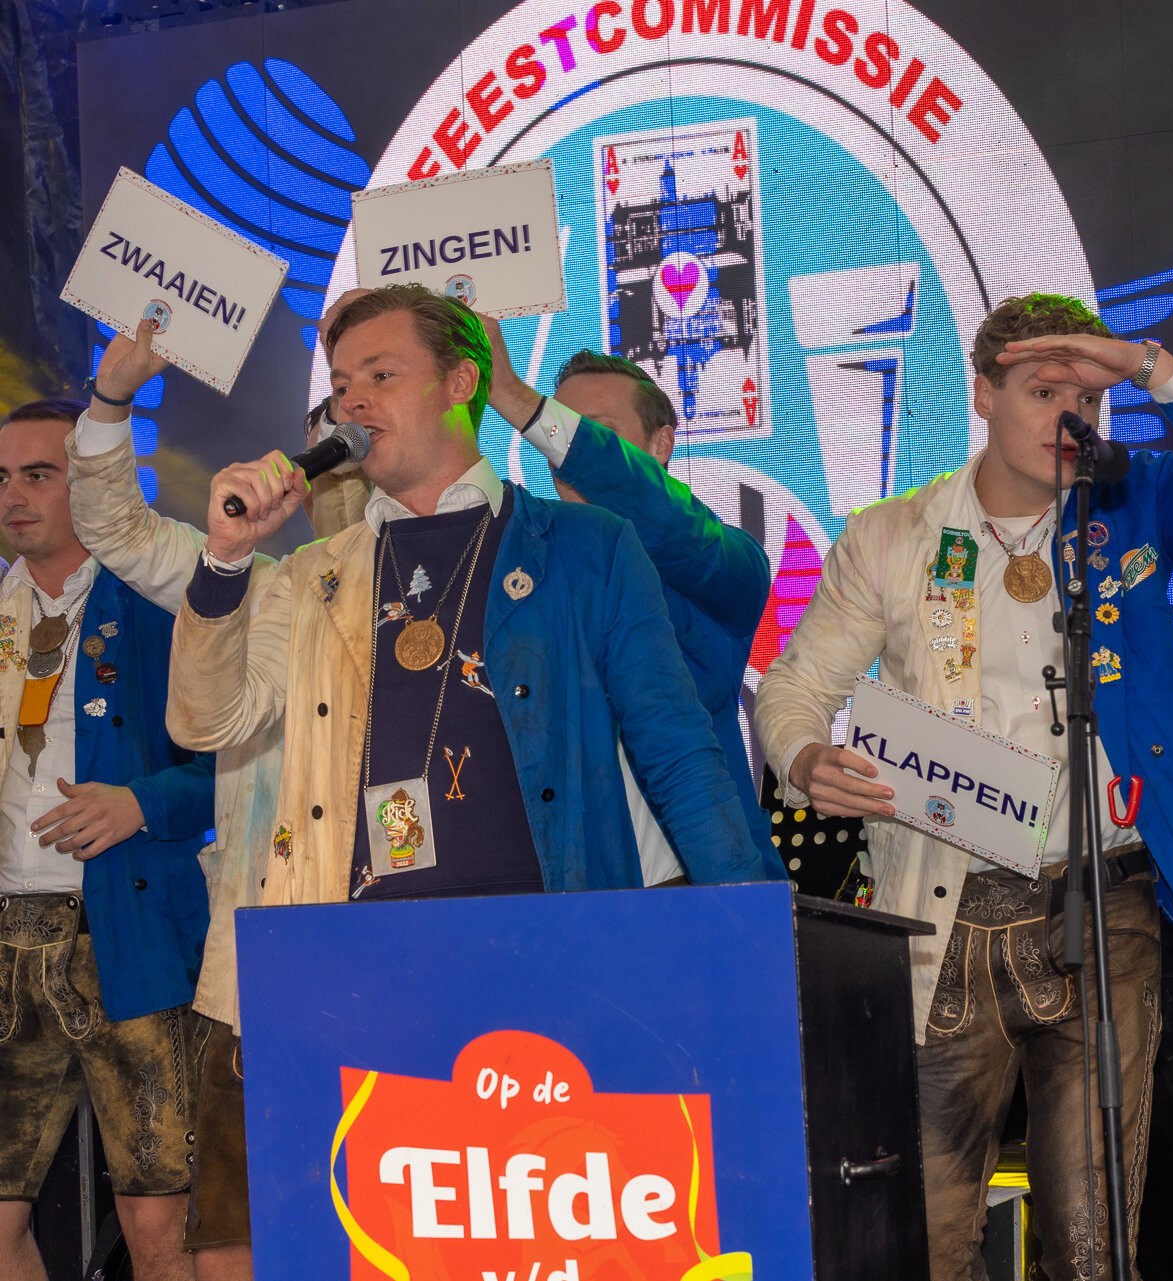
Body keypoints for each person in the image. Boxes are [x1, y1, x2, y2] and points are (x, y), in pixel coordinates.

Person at [756, 292, 1173, 1280]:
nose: (1070, 416)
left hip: (1104, 897)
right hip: (945, 905)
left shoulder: (1132, 503)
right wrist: (803, 758)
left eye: (1087, 397)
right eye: (1043, 391)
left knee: (1094, 1245)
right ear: (983, 393)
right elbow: (795, 689)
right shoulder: (893, 534)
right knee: (931, 1240)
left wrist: (1149, 366)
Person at [166, 283, 754, 917]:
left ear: (461, 383)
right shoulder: (313, 574)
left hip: (548, 937)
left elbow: (677, 752)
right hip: (358, 942)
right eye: (340, 386)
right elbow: (206, 723)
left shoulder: (588, 546)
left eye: (381, 375)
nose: (353, 400)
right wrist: (224, 560)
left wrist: (747, 923)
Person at [65, 324, 367, 1281]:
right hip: (258, 966)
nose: (340, 465)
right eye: (325, 444)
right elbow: (118, 530)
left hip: (398, 952)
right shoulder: (256, 584)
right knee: (232, 1240)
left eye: (357, 441)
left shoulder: (460, 589)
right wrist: (112, 398)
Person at [0, 397, 214, 1281]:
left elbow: (251, 764)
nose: (13, 495)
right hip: (10, 936)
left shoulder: (165, 598)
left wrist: (141, 802)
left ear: (90, 480)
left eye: (37, 474)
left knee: (159, 1219)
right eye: (1, 477)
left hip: (131, 932)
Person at [478, 320, 779, 882]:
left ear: (661, 445)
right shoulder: (524, 572)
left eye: (594, 432)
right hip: (573, 890)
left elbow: (653, 510)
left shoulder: (722, 561)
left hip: (702, 882)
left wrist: (514, 397)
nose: (563, 451)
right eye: (560, 428)